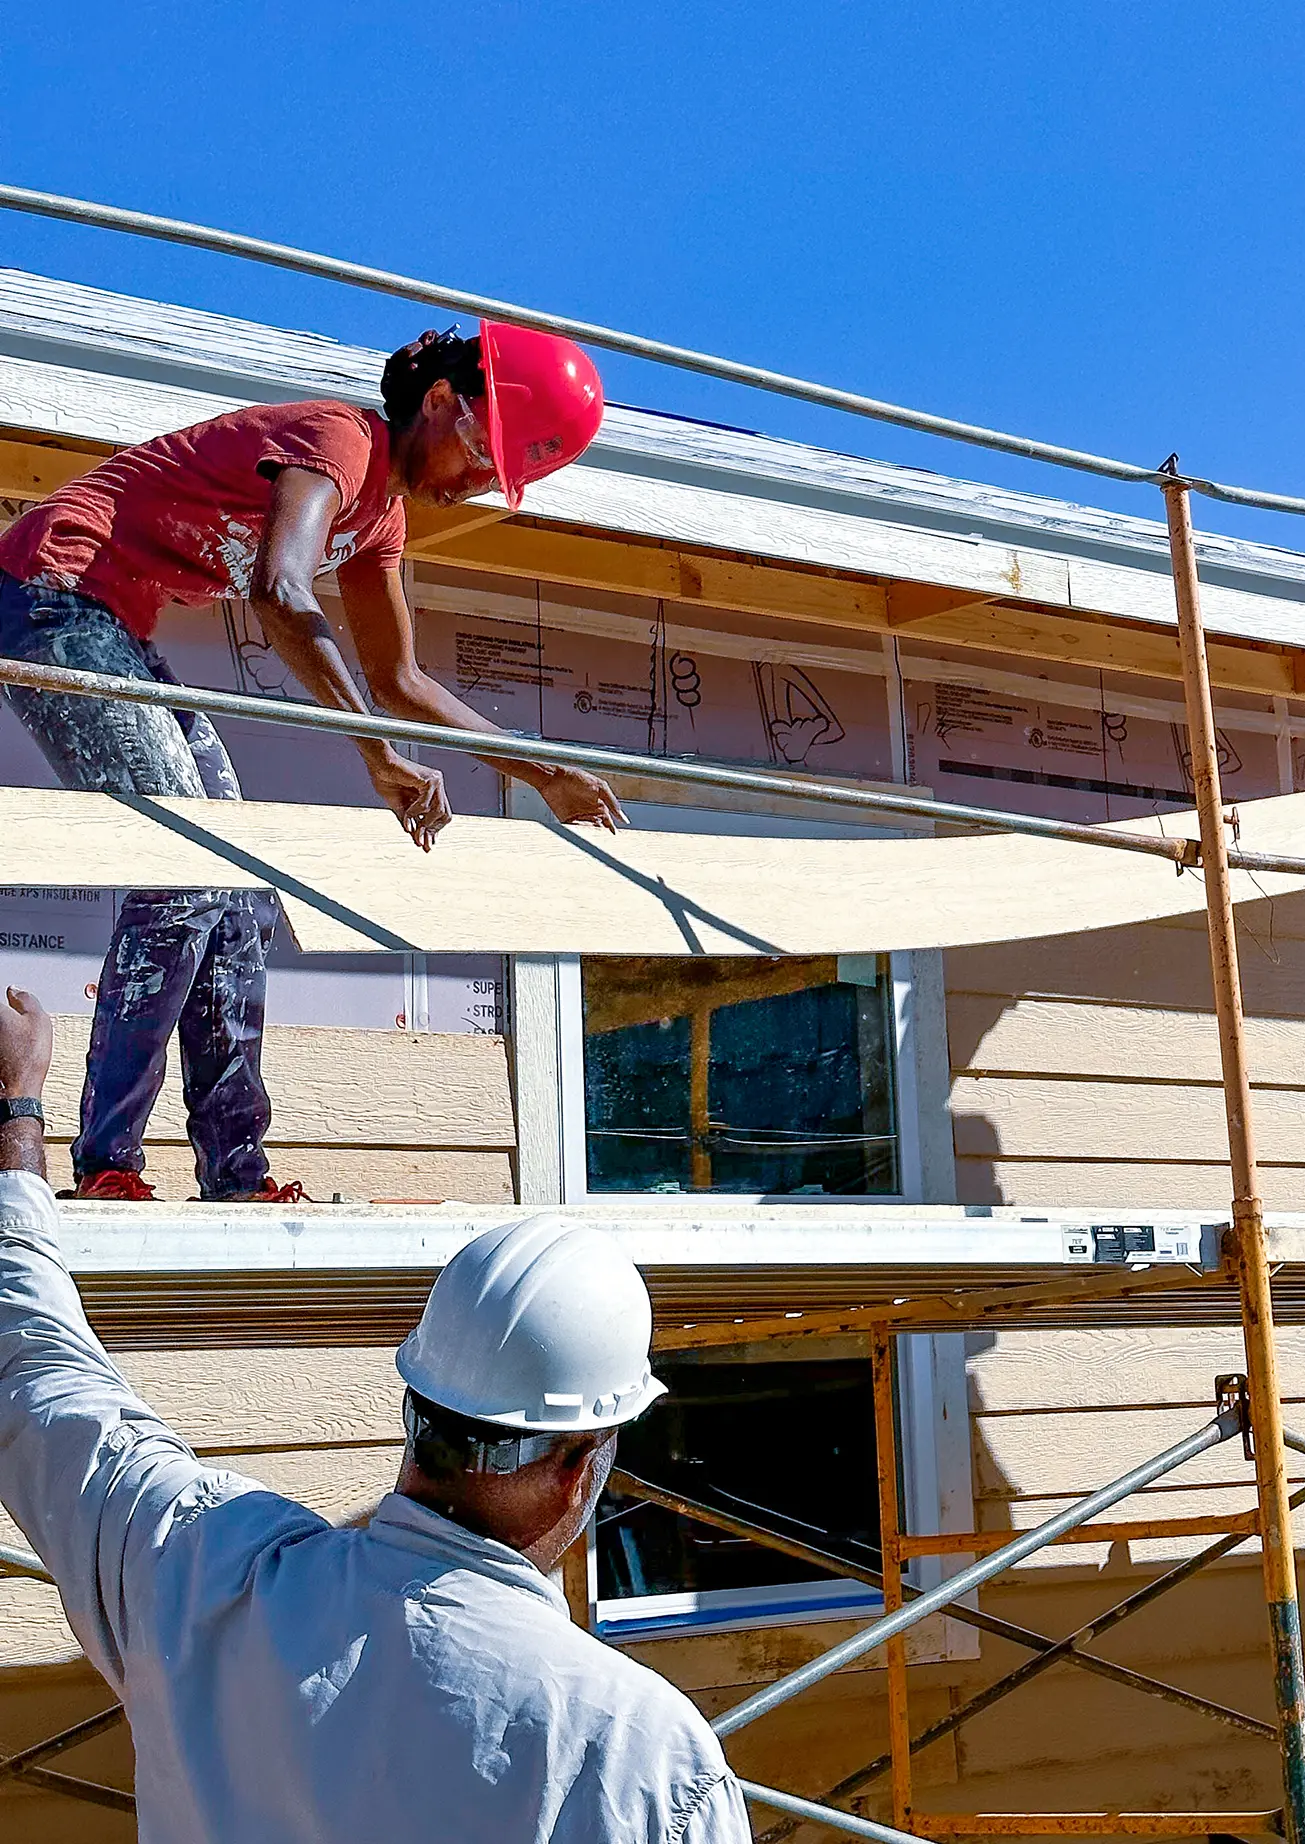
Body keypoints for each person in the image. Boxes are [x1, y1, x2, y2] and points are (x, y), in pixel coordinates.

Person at [0, 981, 751, 1841]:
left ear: (414, 1405)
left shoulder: (205, 1567)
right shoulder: (634, 1756)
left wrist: (20, 1098)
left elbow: (30, 1360)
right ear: (583, 1467)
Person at [0, 321, 627, 1202]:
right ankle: (107, 1163)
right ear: (442, 401)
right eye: (486, 454)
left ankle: (235, 1170)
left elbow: (399, 676)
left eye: (501, 479)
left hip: (112, 622)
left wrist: (538, 769)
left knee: (243, 884)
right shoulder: (341, 440)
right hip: (49, 594)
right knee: (181, 869)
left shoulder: (384, 520)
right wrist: (378, 759)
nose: (482, 482)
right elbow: (282, 591)